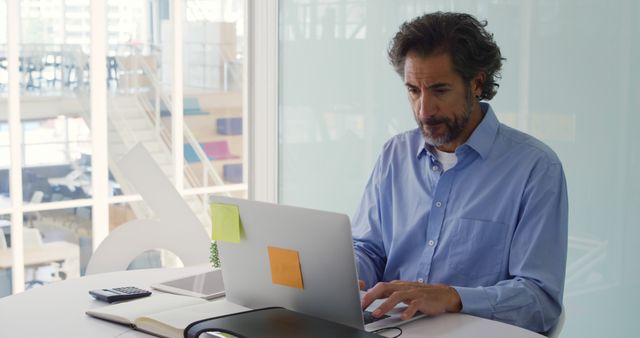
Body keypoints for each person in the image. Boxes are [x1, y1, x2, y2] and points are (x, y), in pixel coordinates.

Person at [353, 12, 568, 334]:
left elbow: (540, 301)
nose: (424, 110)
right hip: (389, 327)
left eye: (439, 90)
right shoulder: (394, 155)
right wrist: (343, 277)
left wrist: (453, 297)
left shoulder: (535, 168)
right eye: (413, 90)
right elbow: (369, 248)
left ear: (477, 83)